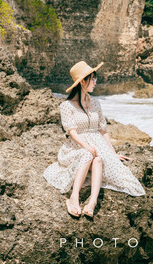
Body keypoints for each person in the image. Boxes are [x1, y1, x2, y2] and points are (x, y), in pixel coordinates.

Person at [42, 61, 145, 218]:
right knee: (88, 154)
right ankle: (73, 198)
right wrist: (86, 146)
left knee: (99, 160)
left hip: (99, 144)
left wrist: (113, 153)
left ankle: (92, 202)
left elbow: (103, 130)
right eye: (93, 79)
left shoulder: (95, 103)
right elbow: (72, 132)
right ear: (83, 81)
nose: (95, 82)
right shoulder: (66, 106)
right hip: (75, 146)